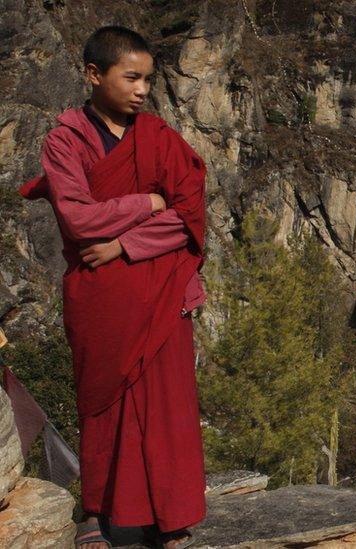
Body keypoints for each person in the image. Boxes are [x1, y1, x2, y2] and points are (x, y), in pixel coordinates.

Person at [18, 25, 208, 549]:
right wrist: (148, 203)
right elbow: (79, 220)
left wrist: (125, 245)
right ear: (94, 74)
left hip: (162, 291)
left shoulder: (159, 138)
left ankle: (171, 520)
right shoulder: (64, 140)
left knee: (166, 408)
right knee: (102, 405)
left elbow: (191, 215)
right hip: (100, 294)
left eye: (148, 79)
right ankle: (96, 513)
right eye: (132, 77)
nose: (143, 89)